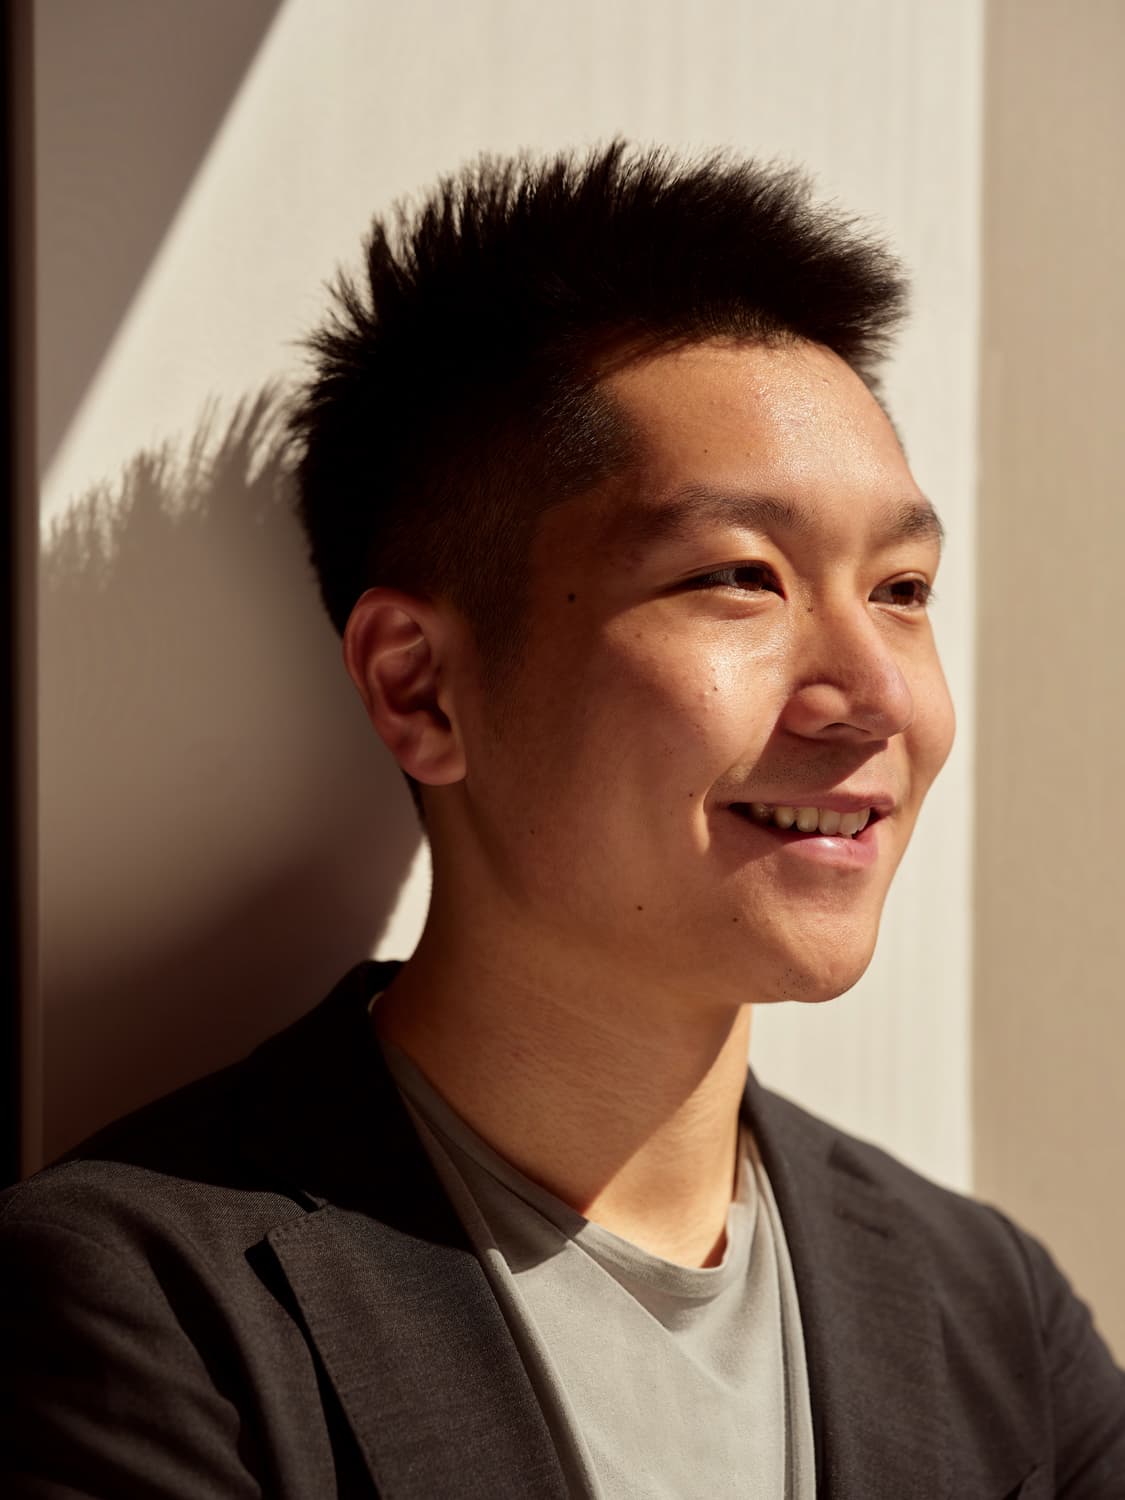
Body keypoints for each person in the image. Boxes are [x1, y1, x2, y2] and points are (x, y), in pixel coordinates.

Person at [2, 141, 1123, 1498]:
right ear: (420, 687)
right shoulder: (150, 1309)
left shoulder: (988, 1312)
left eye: (899, 587)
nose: (875, 696)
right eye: (738, 577)